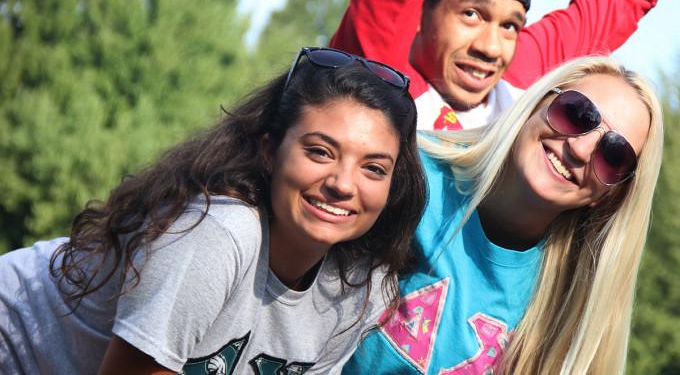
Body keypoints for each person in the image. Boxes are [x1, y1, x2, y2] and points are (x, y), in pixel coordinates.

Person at [0, 47, 427, 374]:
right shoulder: (219, 233)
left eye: (374, 168)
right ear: (269, 152)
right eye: (319, 152)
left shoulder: (360, 287)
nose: (342, 184)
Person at [342, 56, 663, 373]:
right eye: (577, 114)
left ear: (612, 194)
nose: (579, 151)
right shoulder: (406, 173)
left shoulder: (568, 308)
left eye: (613, 154)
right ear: (536, 104)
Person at [330, 0, 670, 130]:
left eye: (510, 25)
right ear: (421, 10)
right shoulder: (381, 72)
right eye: (472, 14)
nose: (490, 48)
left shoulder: (518, 80)